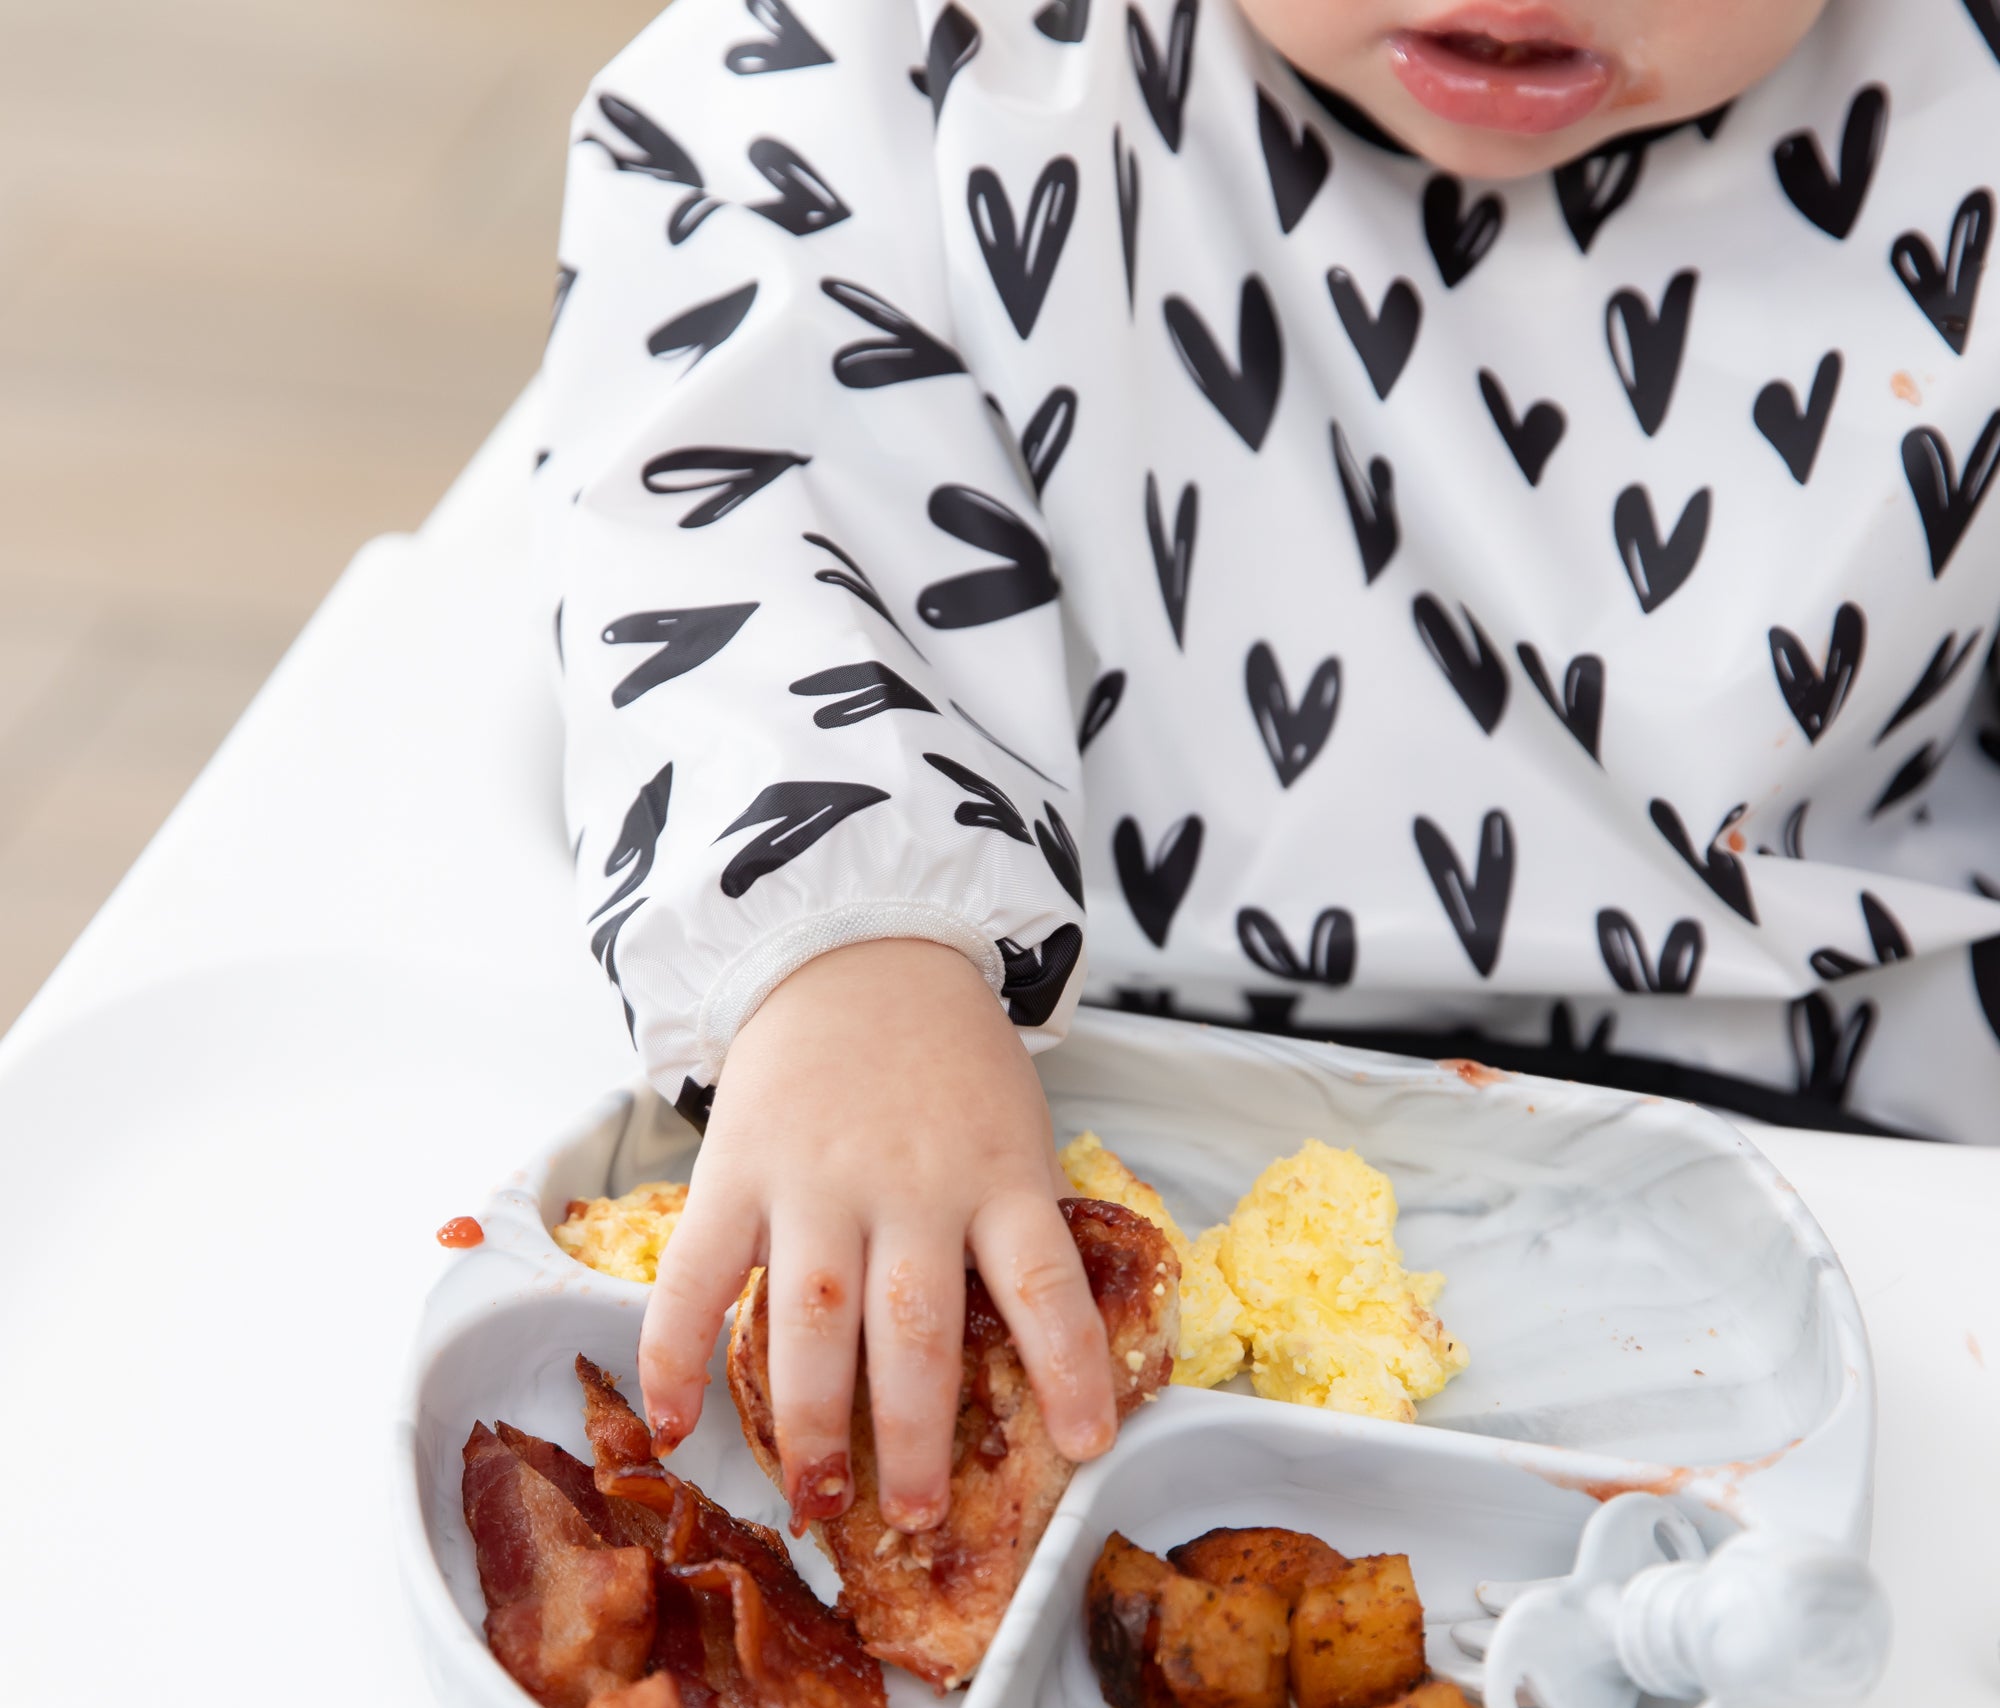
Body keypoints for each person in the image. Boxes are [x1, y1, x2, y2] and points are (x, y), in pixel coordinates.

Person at [537, 0, 2000, 1533]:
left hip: (1834, 1110)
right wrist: (844, 946)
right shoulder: (917, 69)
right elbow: (731, 476)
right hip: (1059, 1048)